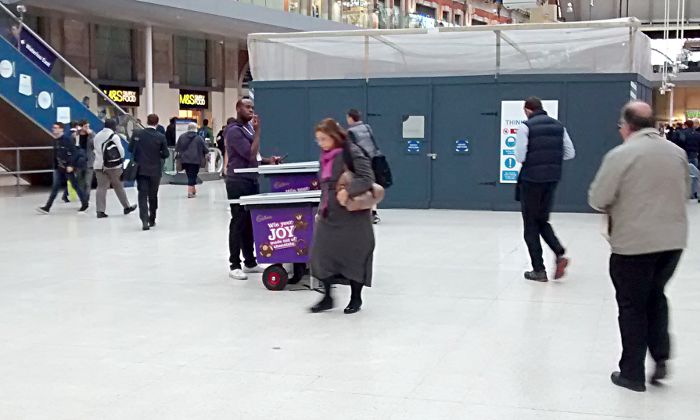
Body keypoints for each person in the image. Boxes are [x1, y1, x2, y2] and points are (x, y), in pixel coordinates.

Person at [589, 101, 688, 393]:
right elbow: (683, 190)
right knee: (655, 296)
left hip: (633, 244)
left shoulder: (622, 155)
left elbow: (598, 197)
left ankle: (632, 372)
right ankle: (661, 358)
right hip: (672, 242)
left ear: (627, 126)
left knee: (631, 306)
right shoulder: (677, 153)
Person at [309, 118, 376, 314]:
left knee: (355, 255)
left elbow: (367, 178)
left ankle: (356, 298)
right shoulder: (326, 156)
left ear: (334, 136)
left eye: (323, 139)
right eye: (318, 140)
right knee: (321, 254)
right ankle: (328, 296)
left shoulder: (352, 152)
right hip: (329, 214)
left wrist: (349, 191)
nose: (321, 143)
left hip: (352, 215)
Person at [515, 96, 575, 282]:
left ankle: (538, 270)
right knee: (542, 220)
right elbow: (569, 153)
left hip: (531, 180)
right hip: (551, 179)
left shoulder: (526, 127)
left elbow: (519, 155)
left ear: (527, 110)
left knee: (530, 226)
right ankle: (559, 252)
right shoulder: (559, 127)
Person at [225, 98, 281, 280]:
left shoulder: (247, 129)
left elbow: (255, 156)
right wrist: (258, 132)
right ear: (238, 108)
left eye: (252, 108)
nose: (251, 110)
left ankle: (249, 261)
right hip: (238, 181)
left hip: (250, 179)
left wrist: (268, 160)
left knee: (250, 221)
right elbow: (249, 155)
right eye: (247, 107)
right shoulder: (233, 131)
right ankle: (235, 264)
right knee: (238, 221)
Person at [37, 122, 89, 214]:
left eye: (56, 128)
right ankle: (47, 207)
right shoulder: (55, 140)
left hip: (67, 167)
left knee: (74, 185)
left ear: (61, 129)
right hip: (59, 167)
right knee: (56, 187)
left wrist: (71, 165)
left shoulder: (67, 140)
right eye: (53, 128)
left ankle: (84, 203)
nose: (54, 129)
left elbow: (74, 153)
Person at [129, 114, 170, 231]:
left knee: (142, 195)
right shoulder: (161, 137)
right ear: (157, 123)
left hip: (141, 170)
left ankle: (144, 220)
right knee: (153, 195)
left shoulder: (137, 134)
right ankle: (152, 217)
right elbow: (166, 154)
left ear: (147, 121)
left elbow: (131, 148)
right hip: (155, 170)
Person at [93, 119, 137, 218]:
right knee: (118, 186)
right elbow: (121, 151)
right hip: (113, 166)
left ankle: (100, 211)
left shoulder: (97, 135)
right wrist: (121, 159)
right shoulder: (114, 136)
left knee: (101, 187)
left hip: (99, 165)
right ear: (113, 126)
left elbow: (95, 149)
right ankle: (126, 207)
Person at [346, 109, 382, 224]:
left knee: (361, 186)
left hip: (361, 162)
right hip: (373, 159)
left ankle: (364, 211)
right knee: (372, 185)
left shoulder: (350, 132)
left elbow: (351, 149)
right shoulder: (367, 127)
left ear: (351, 118)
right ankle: (374, 212)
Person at [176, 122, 209, 198]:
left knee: (190, 175)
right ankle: (190, 192)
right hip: (195, 160)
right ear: (195, 129)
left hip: (184, 160)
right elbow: (205, 149)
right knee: (193, 175)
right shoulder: (199, 138)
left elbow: (177, 148)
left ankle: (193, 190)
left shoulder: (181, 137)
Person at [76, 120, 95, 202]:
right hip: (79, 162)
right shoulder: (76, 135)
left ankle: (86, 200)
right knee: (80, 183)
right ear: (81, 127)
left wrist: (91, 134)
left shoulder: (91, 134)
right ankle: (82, 198)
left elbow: (95, 144)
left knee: (88, 183)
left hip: (89, 161)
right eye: (86, 126)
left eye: (88, 126)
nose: (88, 128)